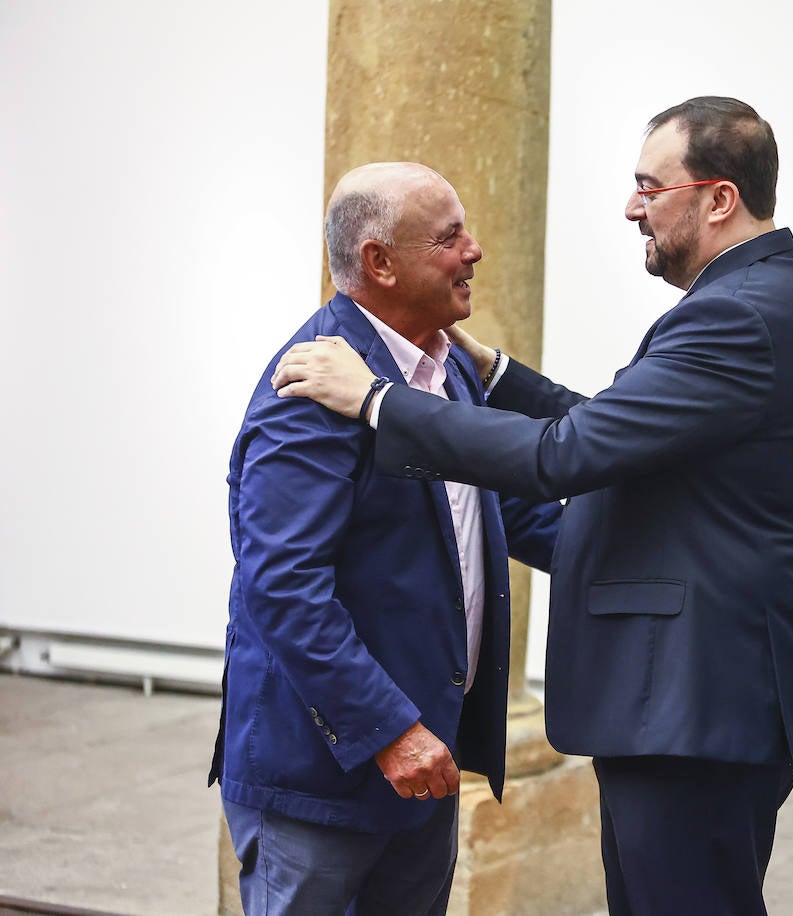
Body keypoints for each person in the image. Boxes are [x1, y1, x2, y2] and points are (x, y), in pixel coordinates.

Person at [272, 97, 793, 915]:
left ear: (718, 198)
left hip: (695, 699)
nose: (631, 207)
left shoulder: (736, 317)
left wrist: (376, 401)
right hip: (704, 697)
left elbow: (565, 457)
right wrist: (501, 378)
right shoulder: (759, 300)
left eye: (650, 187)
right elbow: (616, 434)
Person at [209, 161, 561, 915]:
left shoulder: (446, 368)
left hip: (417, 772)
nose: (475, 250)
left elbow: (502, 514)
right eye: (449, 237)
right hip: (328, 782)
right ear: (379, 263)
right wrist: (390, 731)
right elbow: (283, 585)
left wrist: (656, 547)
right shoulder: (308, 387)